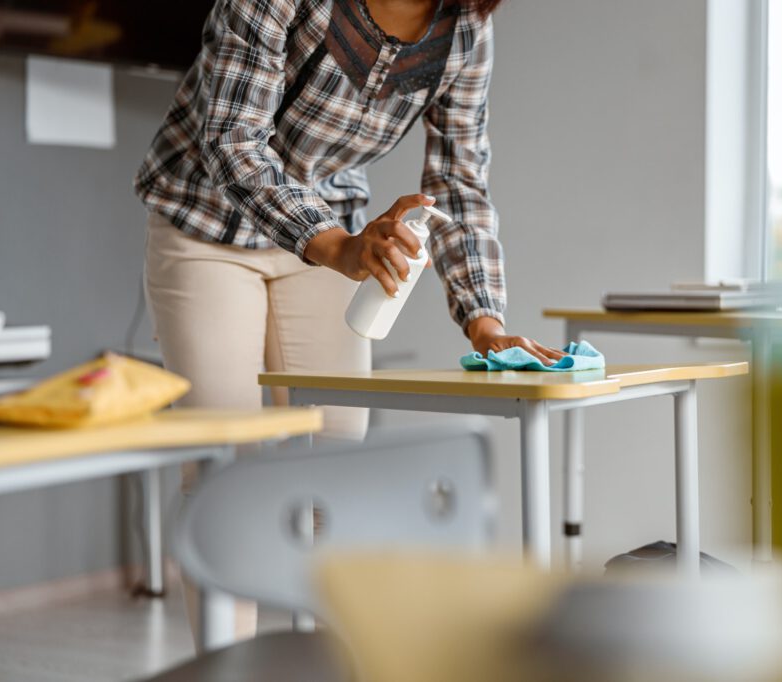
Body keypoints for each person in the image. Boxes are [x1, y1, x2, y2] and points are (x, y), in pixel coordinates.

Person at [135, 0, 563, 644]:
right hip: (208, 223)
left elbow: (458, 185)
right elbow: (232, 142)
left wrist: (485, 322)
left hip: (331, 231)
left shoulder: (465, 31)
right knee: (227, 468)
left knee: (334, 472)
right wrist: (340, 246)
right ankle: (229, 662)